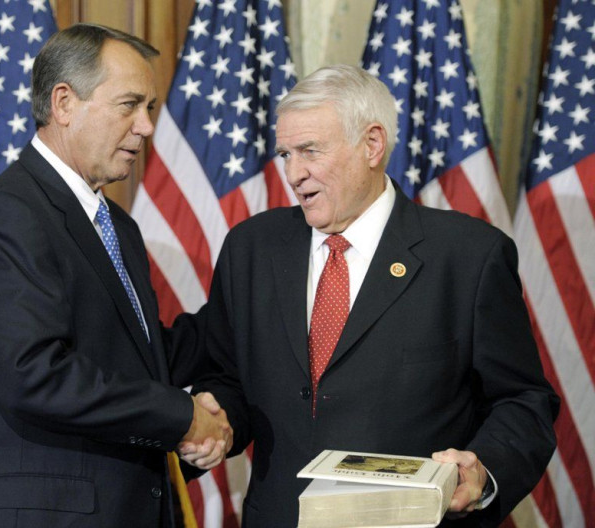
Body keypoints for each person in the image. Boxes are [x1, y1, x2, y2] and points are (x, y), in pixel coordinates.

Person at [180, 65, 559, 527]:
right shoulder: (252, 248)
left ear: (372, 145)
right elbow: (229, 377)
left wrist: (483, 467)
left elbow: (522, 401)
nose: (294, 174)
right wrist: (219, 418)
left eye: (310, 151)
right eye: (285, 154)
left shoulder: (468, 257)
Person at [0, 24, 230, 528]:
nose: (146, 126)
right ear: (64, 103)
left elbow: (137, 357)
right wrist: (181, 417)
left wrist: (245, 309)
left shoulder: (116, 226)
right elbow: (37, 375)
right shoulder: (8, 213)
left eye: (151, 108)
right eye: (129, 105)